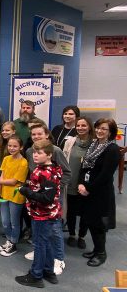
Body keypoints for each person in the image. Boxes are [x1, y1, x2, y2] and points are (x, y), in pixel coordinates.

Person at [25, 123, 71, 275]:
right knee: (40, 230)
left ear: (47, 135)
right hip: (37, 200)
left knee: (54, 229)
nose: (36, 137)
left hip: (50, 198)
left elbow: (66, 173)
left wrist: (54, 189)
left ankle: (58, 259)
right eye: (33, 134)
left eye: (39, 134)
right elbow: (35, 173)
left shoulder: (54, 151)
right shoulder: (30, 151)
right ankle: (41, 253)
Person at [15, 139, 62, 288]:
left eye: (39, 153)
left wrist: (25, 191)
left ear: (49, 155)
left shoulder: (46, 173)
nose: (35, 155)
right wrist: (30, 185)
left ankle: (36, 275)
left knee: (40, 244)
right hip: (46, 213)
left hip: (43, 215)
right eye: (34, 152)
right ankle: (48, 271)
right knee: (45, 242)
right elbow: (42, 189)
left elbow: (46, 198)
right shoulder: (47, 168)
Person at [78, 118, 120, 267]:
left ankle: (101, 254)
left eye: (104, 129)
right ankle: (96, 249)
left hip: (100, 192)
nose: (99, 131)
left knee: (99, 224)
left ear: (111, 132)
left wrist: (88, 188)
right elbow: (85, 167)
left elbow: (105, 175)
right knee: (90, 220)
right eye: (98, 128)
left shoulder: (112, 149)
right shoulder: (93, 145)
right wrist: (82, 184)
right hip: (88, 190)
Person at [63, 116, 94, 249]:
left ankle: (82, 236)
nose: (80, 128)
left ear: (89, 127)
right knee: (70, 210)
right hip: (71, 181)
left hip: (86, 183)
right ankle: (71, 234)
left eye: (84, 125)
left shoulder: (95, 143)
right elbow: (64, 159)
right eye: (78, 125)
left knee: (85, 211)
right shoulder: (71, 141)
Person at [0, 135, 28, 257]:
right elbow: (2, 176)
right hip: (4, 194)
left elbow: (14, 181)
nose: (12, 148)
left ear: (21, 147)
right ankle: (9, 240)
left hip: (16, 196)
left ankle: (13, 243)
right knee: (5, 221)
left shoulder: (23, 162)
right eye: (10, 146)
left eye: (15, 146)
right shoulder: (6, 159)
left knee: (14, 222)